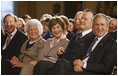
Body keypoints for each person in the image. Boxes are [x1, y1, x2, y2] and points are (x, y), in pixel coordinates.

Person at [48, 9, 95, 75]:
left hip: (75, 65)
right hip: (64, 63)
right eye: (82, 18)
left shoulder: (94, 37)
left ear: (92, 22)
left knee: (61, 64)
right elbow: (67, 53)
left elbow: (87, 56)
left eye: (85, 19)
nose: (81, 20)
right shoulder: (76, 36)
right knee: (42, 64)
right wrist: (61, 53)